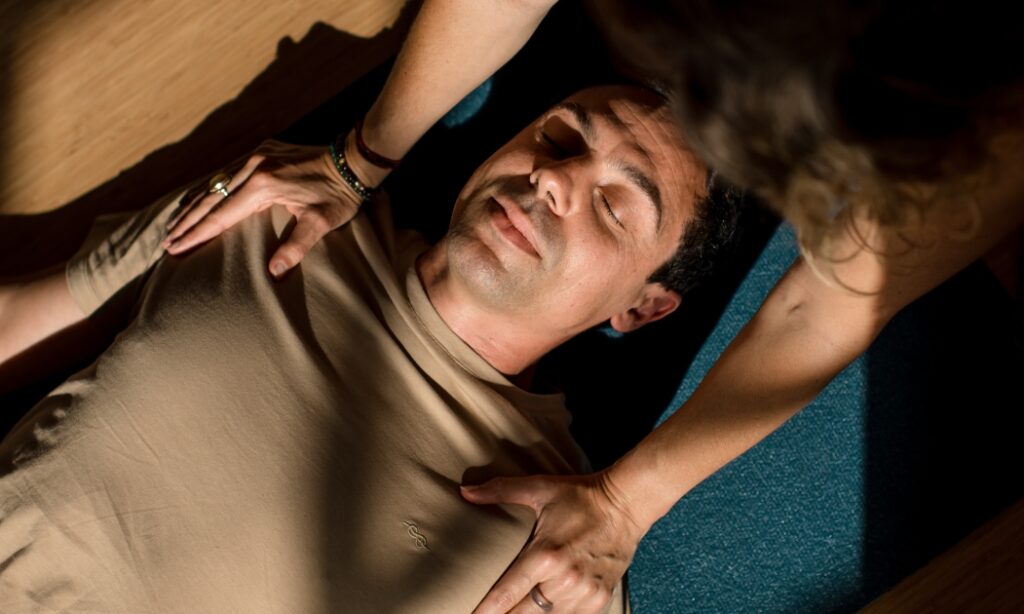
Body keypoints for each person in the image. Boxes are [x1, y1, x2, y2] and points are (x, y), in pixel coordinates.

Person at [158, 1, 1024, 612]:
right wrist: (358, 160)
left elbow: (828, 307)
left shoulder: (976, 121)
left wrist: (626, 504)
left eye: (615, 203)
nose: (557, 181)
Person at [0, 85, 735, 612]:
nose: (551, 179)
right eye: (560, 140)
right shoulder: (274, 207)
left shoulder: (560, 550)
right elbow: (21, 322)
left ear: (642, 307)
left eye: (612, 205)